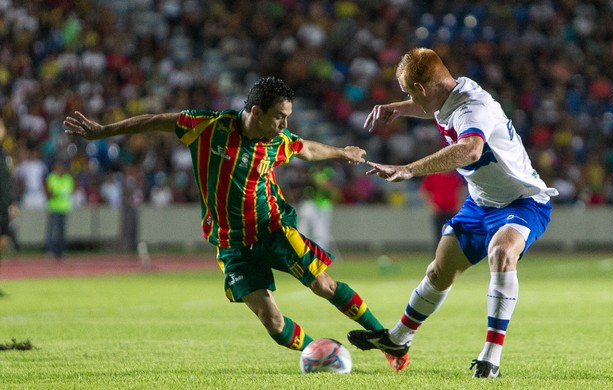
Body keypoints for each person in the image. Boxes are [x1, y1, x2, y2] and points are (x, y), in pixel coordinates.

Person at [64, 77, 409, 371]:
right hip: (231, 245)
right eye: (279, 117)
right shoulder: (208, 127)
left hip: (274, 230)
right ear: (255, 112)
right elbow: (155, 119)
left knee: (322, 285)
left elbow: (307, 149)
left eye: (287, 118)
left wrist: (341, 152)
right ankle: (319, 350)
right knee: (273, 324)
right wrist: (105, 131)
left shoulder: (275, 141)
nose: (284, 126)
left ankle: (389, 344)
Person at [347, 48, 558, 378]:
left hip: (522, 201)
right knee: (438, 272)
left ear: (421, 88)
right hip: (481, 203)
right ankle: (398, 339)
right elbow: (432, 108)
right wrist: (398, 110)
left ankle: (491, 358)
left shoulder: (472, 108)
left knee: (502, 253)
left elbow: (470, 149)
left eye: (408, 94)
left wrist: (410, 169)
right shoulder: (449, 92)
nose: (409, 100)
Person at [297, 164, 339, 251]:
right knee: (307, 229)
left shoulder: (327, 172)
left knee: (320, 232)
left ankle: (321, 252)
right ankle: (301, 250)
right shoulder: (315, 175)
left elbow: (331, 190)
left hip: (323, 205)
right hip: (315, 204)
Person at [419, 170, 465, 248]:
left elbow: (460, 189)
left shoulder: (455, 176)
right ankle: (438, 257)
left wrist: (459, 204)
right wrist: (431, 205)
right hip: (439, 211)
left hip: (452, 211)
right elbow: (424, 191)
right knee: (439, 236)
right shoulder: (433, 176)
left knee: (453, 236)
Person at [45, 161, 75, 260]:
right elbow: (49, 194)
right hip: (54, 207)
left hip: (64, 208)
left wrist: (57, 193)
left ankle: (61, 251)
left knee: (62, 231)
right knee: (52, 231)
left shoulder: (68, 178)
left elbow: (69, 191)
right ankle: (50, 251)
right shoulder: (52, 177)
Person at [0, 118, 19, 260]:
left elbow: (8, 181)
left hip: (3, 204)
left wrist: (12, 202)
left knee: (4, 238)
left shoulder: (5, 155)